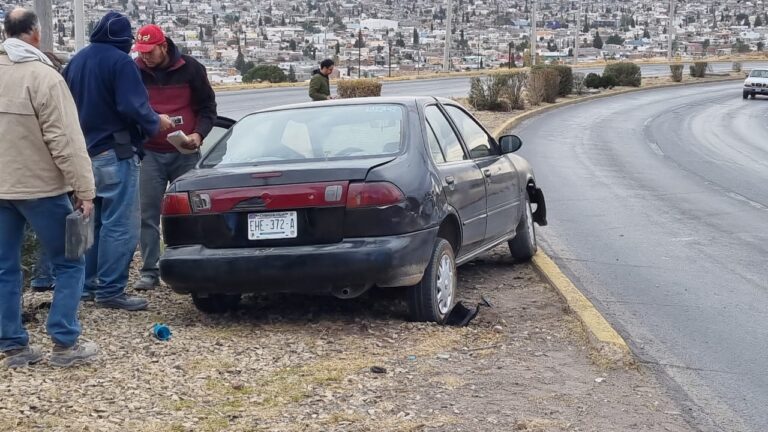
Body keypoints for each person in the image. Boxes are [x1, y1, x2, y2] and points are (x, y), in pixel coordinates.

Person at [0, 8, 98, 368]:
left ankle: (13, 346)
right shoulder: (45, 77)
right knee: (70, 262)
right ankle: (64, 340)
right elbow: (66, 141)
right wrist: (84, 189)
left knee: (4, 268)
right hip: (39, 187)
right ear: (35, 33)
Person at [62, 11, 173, 311]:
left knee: (92, 223)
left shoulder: (77, 60)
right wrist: (155, 122)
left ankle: (87, 286)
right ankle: (111, 290)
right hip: (115, 151)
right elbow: (131, 105)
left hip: (83, 155)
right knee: (120, 224)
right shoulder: (120, 61)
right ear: (123, 40)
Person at [131, 24, 217, 291]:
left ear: (163, 46)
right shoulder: (134, 70)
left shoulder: (191, 68)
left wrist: (199, 135)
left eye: (150, 51)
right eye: (141, 51)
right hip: (150, 153)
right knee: (148, 214)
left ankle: (193, 265)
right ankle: (149, 269)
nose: (145, 56)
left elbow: (207, 107)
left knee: (192, 212)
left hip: (185, 152)